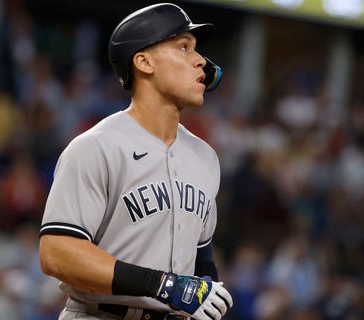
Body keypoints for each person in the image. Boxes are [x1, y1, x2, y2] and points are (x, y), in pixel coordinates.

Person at [38, 3, 232, 320]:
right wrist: (165, 285)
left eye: (196, 49)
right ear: (143, 62)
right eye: (184, 48)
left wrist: (205, 286)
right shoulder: (96, 146)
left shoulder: (206, 158)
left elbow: (199, 252)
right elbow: (57, 253)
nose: (201, 61)